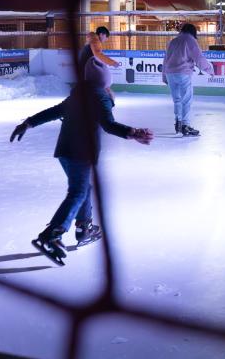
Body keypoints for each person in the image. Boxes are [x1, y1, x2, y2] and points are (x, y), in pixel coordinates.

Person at [10, 58, 153, 265]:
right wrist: (133, 132)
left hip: (65, 151)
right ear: (104, 81)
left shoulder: (79, 94)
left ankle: (84, 227)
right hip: (81, 153)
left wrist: (28, 123)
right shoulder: (99, 96)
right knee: (78, 191)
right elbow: (109, 125)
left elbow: (54, 112)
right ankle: (53, 233)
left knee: (84, 188)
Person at [162, 22, 215, 136]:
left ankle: (178, 123)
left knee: (177, 100)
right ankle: (185, 125)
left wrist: (164, 75)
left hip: (170, 73)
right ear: (193, 32)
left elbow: (165, 59)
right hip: (183, 73)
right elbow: (199, 59)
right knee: (186, 100)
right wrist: (210, 70)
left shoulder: (173, 41)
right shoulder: (190, 40)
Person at [80, 27, 119, 102]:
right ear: (101, 34)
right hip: (88, 71)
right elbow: (98, 54)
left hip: (87, 71)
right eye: (106, 36)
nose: (106, 39)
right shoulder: (95, 40)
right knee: (104, 86)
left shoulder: (91, 40)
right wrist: (112, 62)